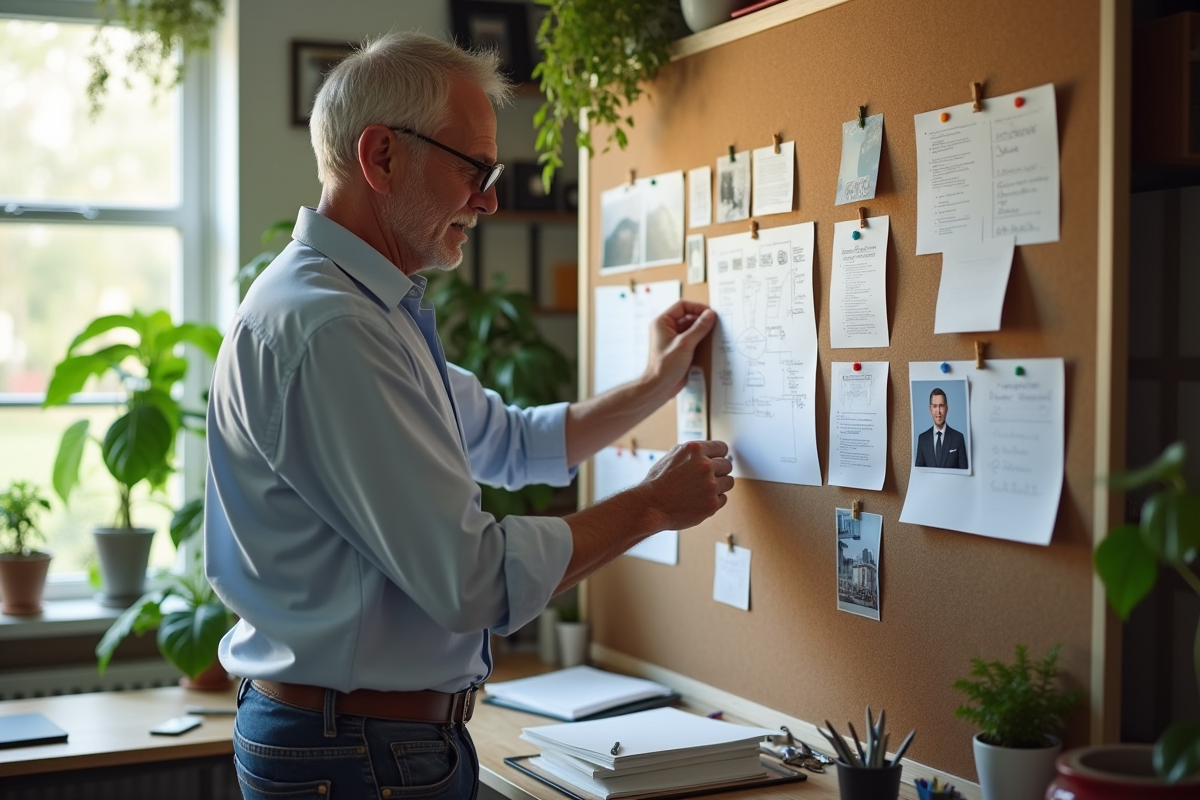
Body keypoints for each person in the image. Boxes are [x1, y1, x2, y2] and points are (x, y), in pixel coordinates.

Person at [203, 32, 733, 800]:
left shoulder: (362, 309)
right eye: (472, 170)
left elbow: (511, 442)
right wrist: (651, 505)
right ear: (381, 157)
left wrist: (657, 383)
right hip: (356, 753)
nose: (488, 199)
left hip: (362, 743)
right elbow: (471, 581)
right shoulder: (334, 329)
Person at [914, 387, 968, 469]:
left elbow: (964, 473)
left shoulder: (958, 438)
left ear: (946, 408)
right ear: (930, 409)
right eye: (935, 406)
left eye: (941, 406)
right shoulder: (922, 439)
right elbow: (920, 474)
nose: (938, 411)